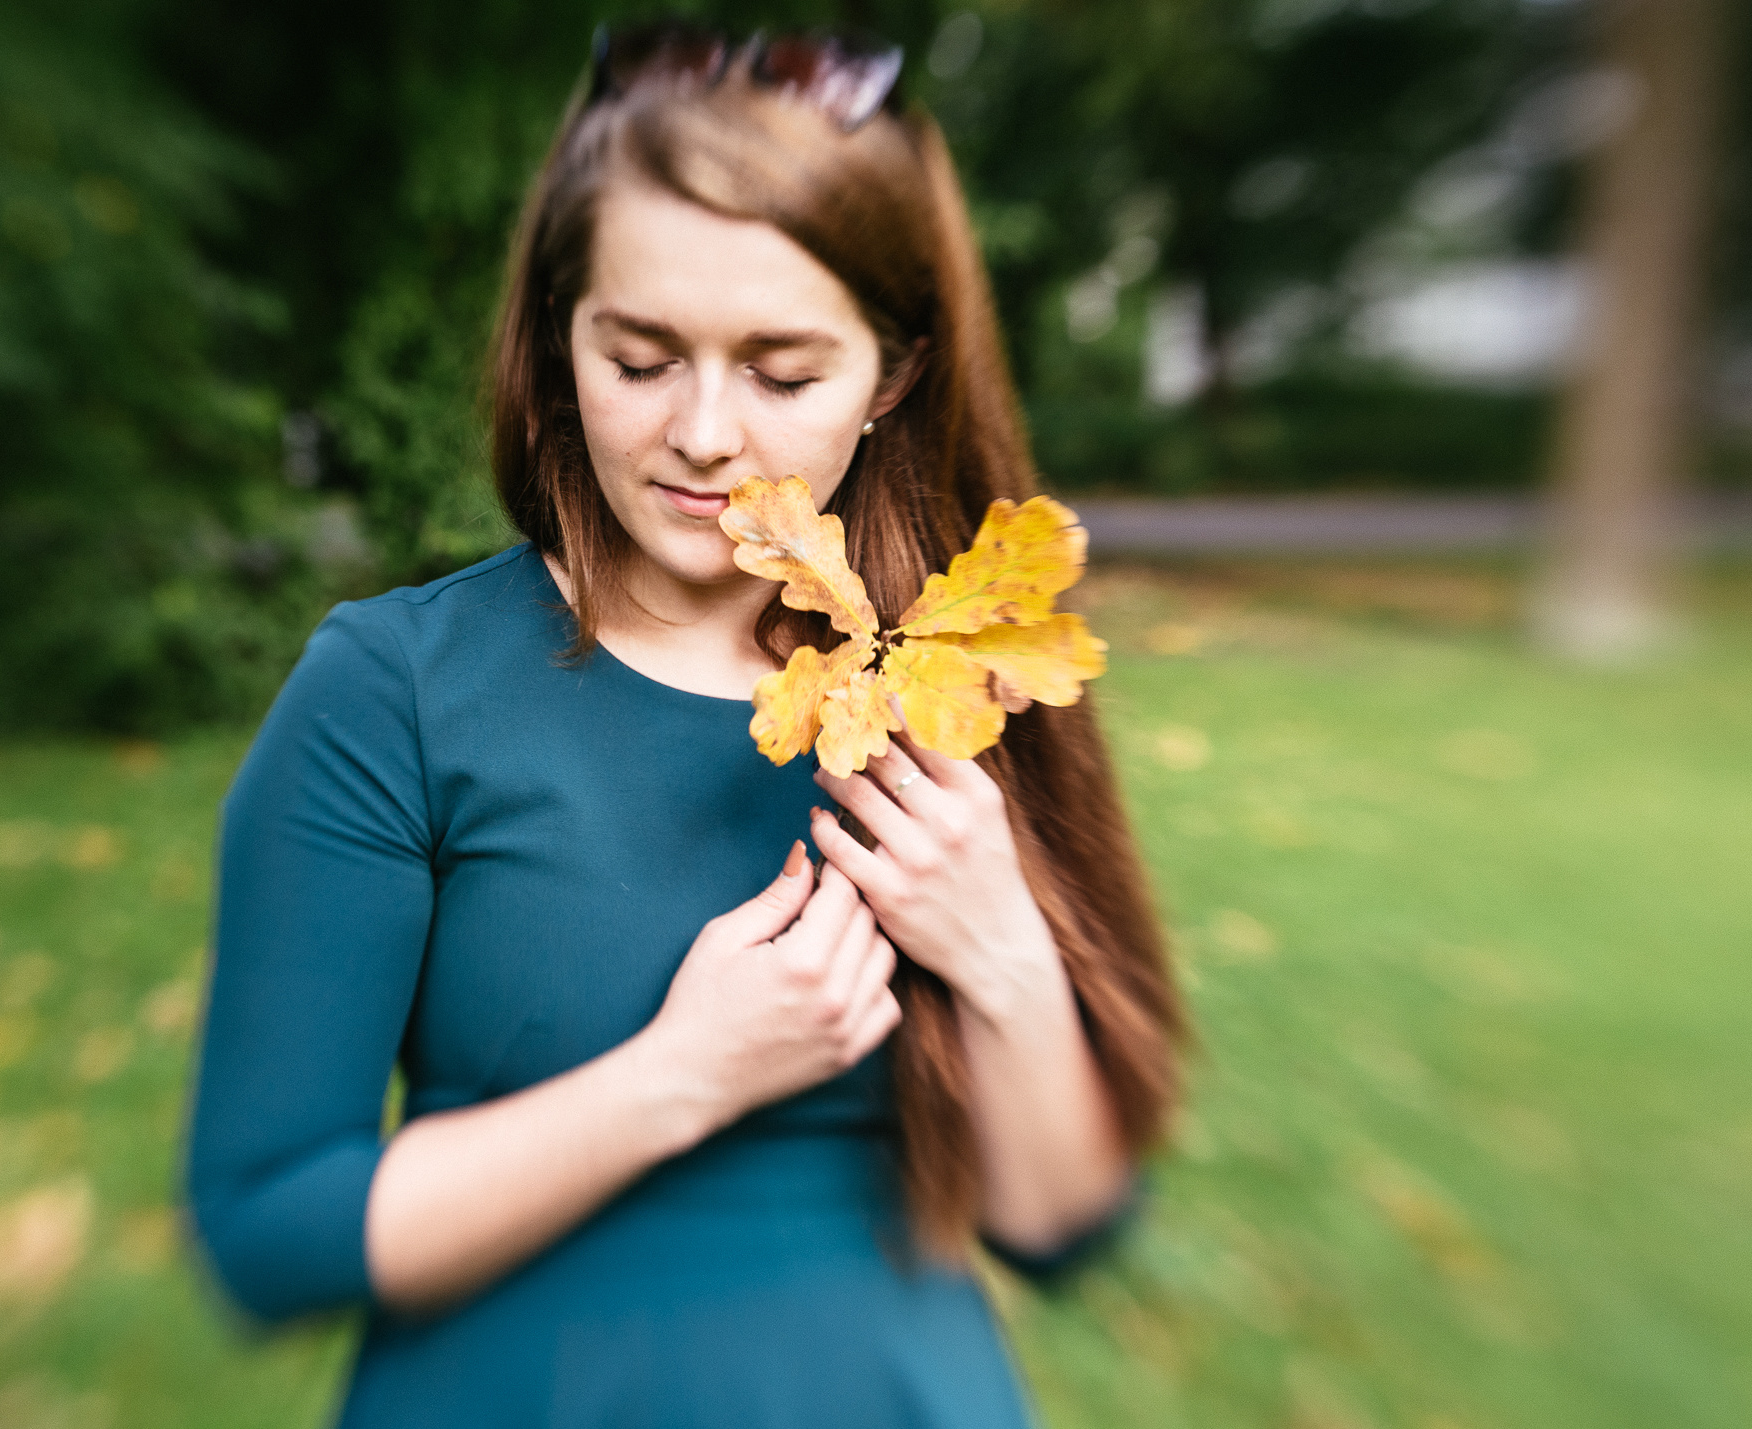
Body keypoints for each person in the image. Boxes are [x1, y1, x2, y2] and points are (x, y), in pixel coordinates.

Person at [186, 24, 1182, 1429]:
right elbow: (271, 1228)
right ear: (558, 334)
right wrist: (684, 1075)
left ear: (894, 372)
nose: (704, 433)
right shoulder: (392, 691)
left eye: (783, 374)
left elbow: (1060, 1220)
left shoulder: (959, 671)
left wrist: (1003, 944)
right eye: (641, 355)